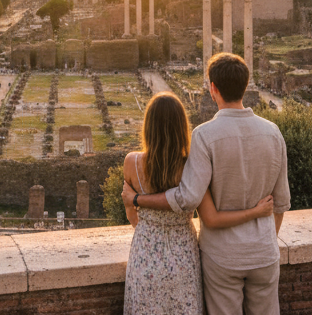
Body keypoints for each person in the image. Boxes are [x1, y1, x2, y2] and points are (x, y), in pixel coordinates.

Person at [124, 53, 290, 315]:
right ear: (245, 86)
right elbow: (281, 203)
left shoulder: (204, 135)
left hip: (222, 256)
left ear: (213, 89)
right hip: (264, 253)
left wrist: (137, 199)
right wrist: (263, 238)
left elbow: (187, 199)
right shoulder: (274, 133)